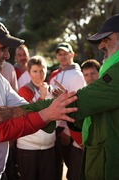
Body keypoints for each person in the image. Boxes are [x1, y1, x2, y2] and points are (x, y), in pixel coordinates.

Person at [0, 18, 78, 180]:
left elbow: (23, 107)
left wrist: (51, 106)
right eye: (2, 48)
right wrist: (48, 113)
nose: (7, 55)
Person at [48, 42, 86, 180]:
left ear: (72, 54)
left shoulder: (77, 75)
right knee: (55, 167)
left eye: (65, 53)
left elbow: (78, 105)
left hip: (68, 130)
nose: (62, 56)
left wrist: (66, 130)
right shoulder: (54, 74)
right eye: (59, 54)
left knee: (73, 169)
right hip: (54, 128)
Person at [17, 55, 55, 180]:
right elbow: (28, 115)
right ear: (29, 73)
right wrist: (42, 97)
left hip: (49, 147)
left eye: (42, 70)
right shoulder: (24, 91)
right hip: (28, 147)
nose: (39, 74)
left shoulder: (52, 90)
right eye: (35, 71)